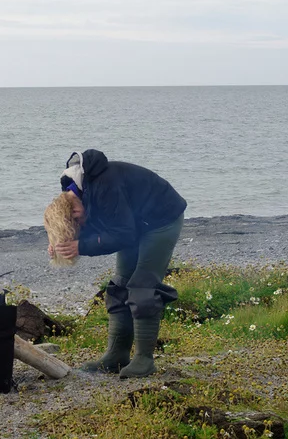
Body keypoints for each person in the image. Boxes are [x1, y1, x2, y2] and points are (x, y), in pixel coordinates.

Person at [48, 149, 186, 378]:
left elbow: (123, 235)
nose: (81, 223)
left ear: (74, 208)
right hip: (134, 222)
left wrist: (81, 246)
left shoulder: (104, 186)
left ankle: (144, 360)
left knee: (142, 285)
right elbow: (94, 221)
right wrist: (59, 245)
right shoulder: (74, 192)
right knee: (119, 285)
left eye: (77, 220)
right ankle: (116, 356)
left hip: (162, 219)